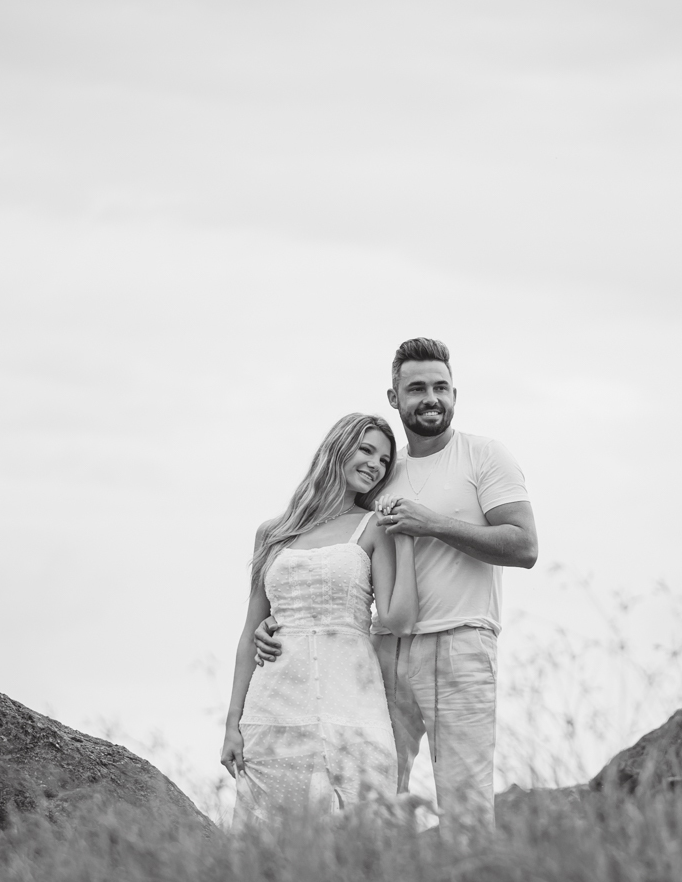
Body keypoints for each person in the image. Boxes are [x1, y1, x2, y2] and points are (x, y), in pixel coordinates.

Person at [255, 339, 538, 827]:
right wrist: (280, 620)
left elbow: (524, 546)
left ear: (455, 394)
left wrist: (432, 524)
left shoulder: (485, 456)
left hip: (460, 643)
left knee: (466, 804)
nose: (431, 398)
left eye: (441, 387)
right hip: (380, 650)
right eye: (417, 388)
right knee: (375, 794)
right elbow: (338, 549)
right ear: (395, 397)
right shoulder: (383, 470)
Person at [220, 413, 418, 821]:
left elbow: (398, 620)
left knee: (362, 826)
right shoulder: (272, 533)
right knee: (270, 834)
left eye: (384, 460)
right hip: (274, 706)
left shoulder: (374, 528)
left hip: (354, 706)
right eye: (366, 450)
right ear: (337, 449)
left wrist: (407, 540)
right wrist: (232, 724)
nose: (375, 465)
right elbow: (249, 634)